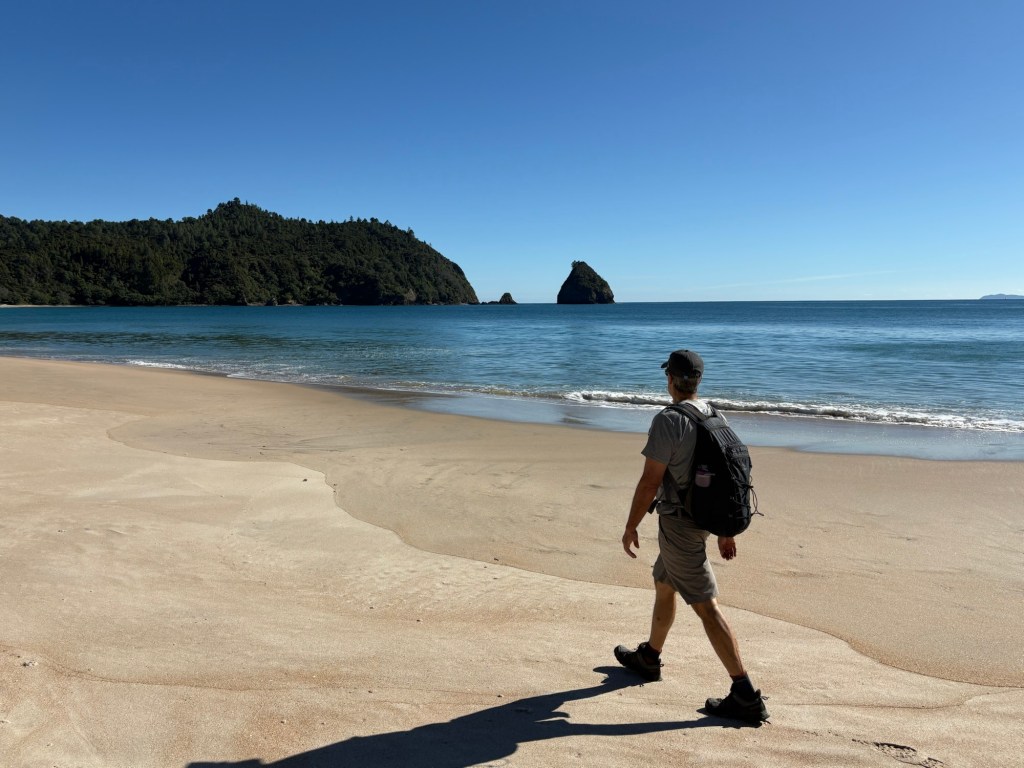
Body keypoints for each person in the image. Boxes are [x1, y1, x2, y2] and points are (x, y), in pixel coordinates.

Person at [615, 349, 769, 725]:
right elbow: (731, 476)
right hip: (703, 519)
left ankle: (745, 694)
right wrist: (725, 531)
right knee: (664, 581)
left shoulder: (669, 420)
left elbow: (650, 481)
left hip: (680, 524)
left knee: (705, 606)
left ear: (670, 378)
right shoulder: (714, 414)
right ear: (698, 380)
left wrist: (631, 525)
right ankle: (649, 657)